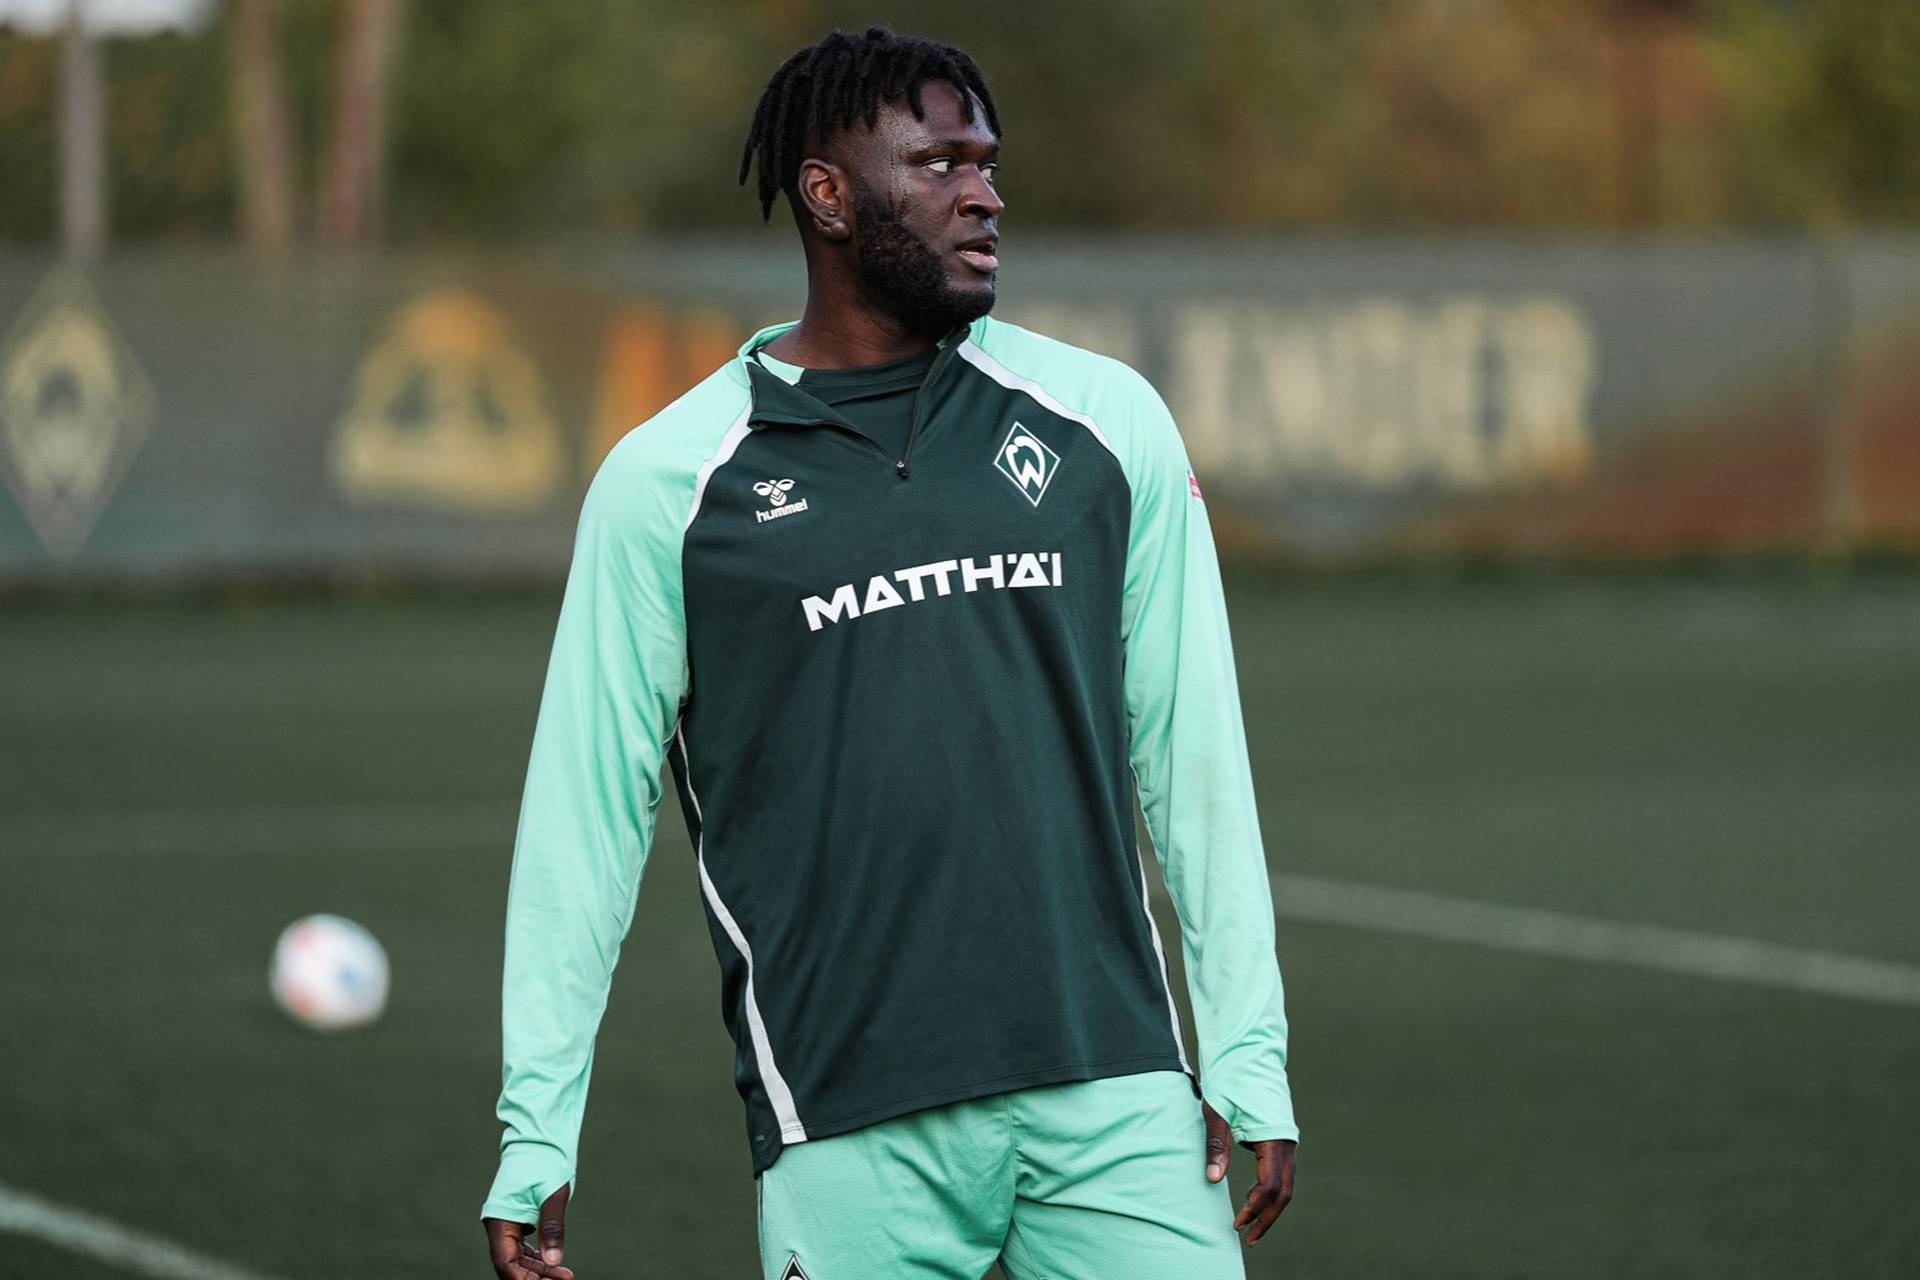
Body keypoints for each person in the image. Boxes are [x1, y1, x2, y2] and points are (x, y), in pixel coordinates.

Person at [481, 25, 1298, 1280]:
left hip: (1120, 1096)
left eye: (987, 162)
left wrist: (1246, 1051)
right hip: (845, 1119)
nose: (985, 194)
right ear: (827, 195)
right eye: (939, 163)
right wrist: (537, 1126)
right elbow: (581, 821)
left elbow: (1194, 752)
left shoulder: (1103, 423)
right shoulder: (669, 485)